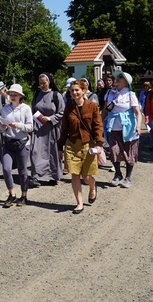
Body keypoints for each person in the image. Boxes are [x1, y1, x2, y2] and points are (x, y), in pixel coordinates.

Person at [58, 80, 104, 214]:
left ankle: (92, 187)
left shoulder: (93, 106)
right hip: (72, 145)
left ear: (83, 91)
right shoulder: (68, 108)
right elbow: (64, 128)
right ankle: (79, 203)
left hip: (88, 144)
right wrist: (60, 147)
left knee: (86, 176)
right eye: (72, 90)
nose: (74, 93)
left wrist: (99, 144)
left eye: (77, 90)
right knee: (75, 176)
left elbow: (98, 126)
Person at [103, 72, 142, 188]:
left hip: (127, 128)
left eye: (120, 78)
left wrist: (138, 126)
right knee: (113, 150)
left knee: (128, 152)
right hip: (112, 126)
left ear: (126, 82)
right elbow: (105, 110)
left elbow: (138, 113)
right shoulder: (110, 92)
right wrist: (100, 123)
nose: (117, 79)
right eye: (117, 77)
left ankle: (128, 177)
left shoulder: (130, 94)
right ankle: (118, 174)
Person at [0, 84, 33, 208]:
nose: (12, 97)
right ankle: (11, 194)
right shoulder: (5, 108)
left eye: (15, 95)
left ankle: (23, 195)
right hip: (8, 142)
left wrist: (19, 125)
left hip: (22, 142)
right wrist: (2, 126)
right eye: (11, 94)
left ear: (20, 96)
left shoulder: (26, 109)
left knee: (22, 171)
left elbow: (30, 127)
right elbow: (1, 127)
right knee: (6, 169)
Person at [29, 72, 65, 188]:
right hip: (38, 128)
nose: (42, 85)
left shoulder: (56, 95)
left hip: (51, 129)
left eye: (44, 83)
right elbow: (32, 110)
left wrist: (50, 118)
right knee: (35, 152)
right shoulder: (37, 94)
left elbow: (62, 112)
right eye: (40, 83)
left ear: (49, 82)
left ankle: (53, 176)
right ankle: (36, 175)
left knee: (51, 153)